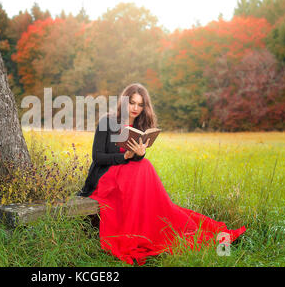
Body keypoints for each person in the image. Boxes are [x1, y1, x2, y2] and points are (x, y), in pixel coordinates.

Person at [77, 83, 246, 266]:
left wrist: (140, 154)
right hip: (104, 178)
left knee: (144, 165)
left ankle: (163, 212)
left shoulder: (139, 125)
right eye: (132, 103)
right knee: (143, 167)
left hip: (127, 175)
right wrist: (124, 156)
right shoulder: (107, 121)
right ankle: (147, 219)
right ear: (124, 101)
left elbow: (134, 160)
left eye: (140, 105)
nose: (135, 108)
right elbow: (98, 156)